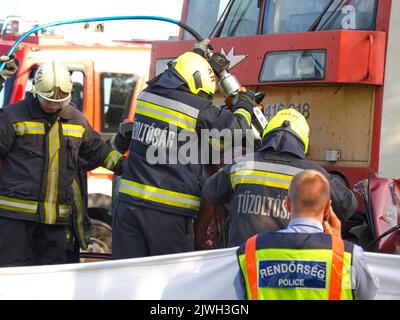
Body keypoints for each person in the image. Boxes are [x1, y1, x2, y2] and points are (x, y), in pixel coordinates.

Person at [112, 51, 257, 259]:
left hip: (128, 207)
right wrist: (244, 103)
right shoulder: (195, 106)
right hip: (168, 215)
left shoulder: (147, 95)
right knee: (171, 282)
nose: (203, 100)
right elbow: (235, 130)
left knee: (126, 278)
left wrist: (202, 61)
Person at [0, 61, 125, 267]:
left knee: (53, 282)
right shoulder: (13, 117)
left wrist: (128, 166)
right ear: (35, 92)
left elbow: (98, 152)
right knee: (13, 281)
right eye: (48, 100)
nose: (54, 105)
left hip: (55, 227)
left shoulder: (76, 119)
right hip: (15, 222)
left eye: (60, 101)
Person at [202, 108, 357, 247]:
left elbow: (210, 192)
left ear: (267, 134)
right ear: (304, 141)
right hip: (290, 269)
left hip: (244, 266)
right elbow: (348, 206)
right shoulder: (314, 176)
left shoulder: (240, 166)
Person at [235, 169, 378, 300]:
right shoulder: (349, 255)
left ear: (288, 204)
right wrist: (337, 246)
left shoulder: (250, 251)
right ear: (328, 207)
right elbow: (367, 295)